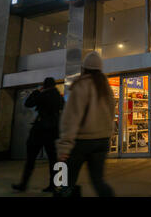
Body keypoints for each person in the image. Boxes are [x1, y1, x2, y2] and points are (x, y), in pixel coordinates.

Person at [56, 51, 115, 197]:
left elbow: (71, 118)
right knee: (98, 181)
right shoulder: (106, 88)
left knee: (66, 182)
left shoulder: (81, 85)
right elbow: (111, 114)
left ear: (84, 68)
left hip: (81, 142)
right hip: (102, 141)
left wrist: (64, 146)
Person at [12, 77, 64, 193]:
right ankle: (54, 185)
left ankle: (23, 184)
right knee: (54, 160)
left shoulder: (43, 95)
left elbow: (28, 103)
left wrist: (37, 91)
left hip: (39, 131)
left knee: (31, 159)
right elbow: (63, 110)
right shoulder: (59, 97)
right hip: (54, 132)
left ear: (45, 85)